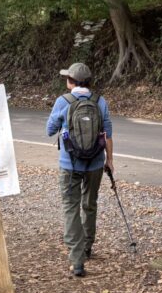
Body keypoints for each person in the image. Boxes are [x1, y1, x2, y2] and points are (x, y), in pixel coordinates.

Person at [46, 62, 113, 278]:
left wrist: (62, 122)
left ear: (71, 82)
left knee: (71, 208)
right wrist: (110, 160)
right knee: (90, 204)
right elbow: (107, 133)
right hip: (95, 163)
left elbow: (50, 130)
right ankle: (87, 247)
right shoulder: (100, 101)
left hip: (70, 164)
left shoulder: (63, 101)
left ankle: (77, 261)